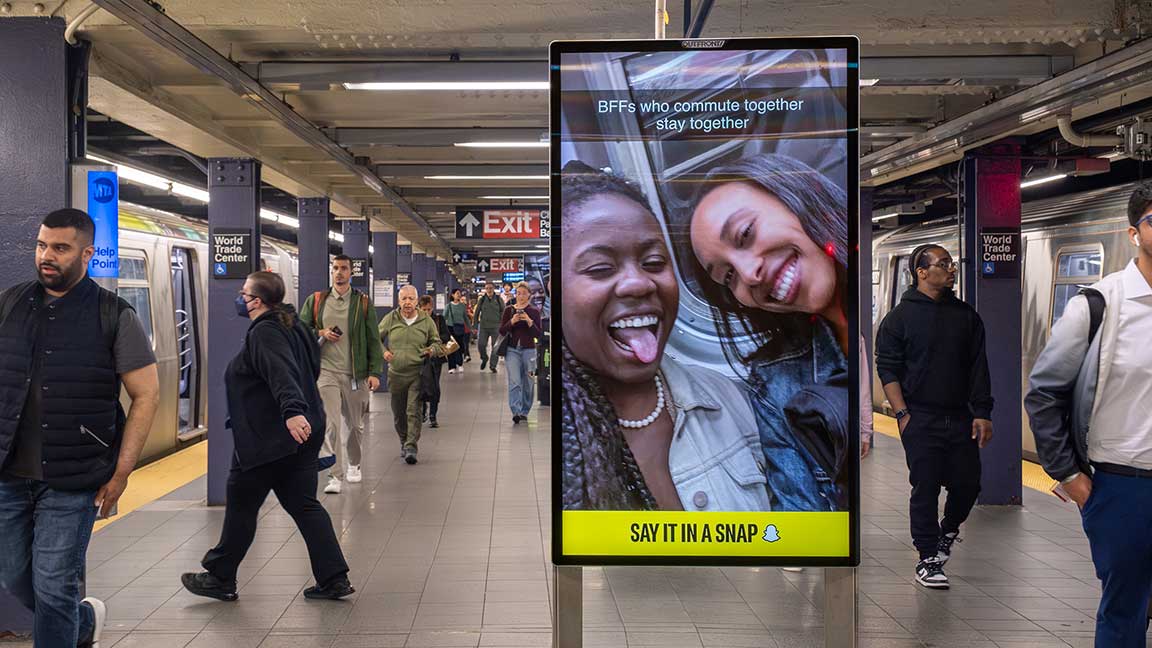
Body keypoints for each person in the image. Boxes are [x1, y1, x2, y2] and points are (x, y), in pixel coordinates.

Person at [559, 162, 770, 510]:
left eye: (654, 262)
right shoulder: (558, 435)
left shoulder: (731, 401)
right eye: (600, 269)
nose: (639, 282)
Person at [0, 208, 160, 648]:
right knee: (15, 576)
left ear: (87, 253)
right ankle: (83, 623)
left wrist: (122, 472)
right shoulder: (10, 303)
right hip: (10, 473)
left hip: (75, 477)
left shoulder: (113, 314)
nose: (46, 256)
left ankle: (68, 625)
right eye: (41, 245)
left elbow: (146, 394)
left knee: (53, 586)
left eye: (60, 248)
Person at [684, 154, 867, 514]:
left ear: (796, 196)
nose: (749, 275)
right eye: (727, 277)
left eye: (745, 234)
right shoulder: (777, 383)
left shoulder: (914, 322)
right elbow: (802, 517)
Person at [1026, 181, 1152, 647]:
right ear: (1132, 233)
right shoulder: (1098, 305)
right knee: (1125, 609)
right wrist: (1068, 474)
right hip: (1123, 485)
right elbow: (1043, 394)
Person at [182, 271, 353, 602]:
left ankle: (220, 577)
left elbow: (281, 372)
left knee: (242, 503)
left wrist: (291, 411)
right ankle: (334, 578)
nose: (240, 297)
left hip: (268, 438)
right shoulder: (295, 324)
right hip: (302, 433)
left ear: (256, 301)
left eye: (243, 293)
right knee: (304, 504)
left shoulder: (265, 332)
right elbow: (309, 368)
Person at [875, 244, 993, 590]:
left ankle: (949, 531)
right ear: (921, 272)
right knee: (924, 487)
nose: (951, 269)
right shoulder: (899, 318)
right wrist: (902, 414)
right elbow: (888, 368)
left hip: (960, 417)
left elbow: (978, 368)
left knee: (968, 484)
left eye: (951, 263)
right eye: (943, 264)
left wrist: (982, 412)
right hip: (920, 417)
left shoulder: (966, 316)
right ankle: (927, 557)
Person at [299, 255, 383, 495]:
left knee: (355, 425)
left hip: (356, 374)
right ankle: (334, 474)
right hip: (326, 371)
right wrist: (321, 331)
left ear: (351, 273)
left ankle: (354, 463)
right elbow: (301, 329)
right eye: (335, 268)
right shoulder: (317, 301)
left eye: (343, 268)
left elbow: (374, 340)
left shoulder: (362, 303)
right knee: (331, 424)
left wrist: (375, 372)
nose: (338, 272)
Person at [378, 285, 443, 464]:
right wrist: (384, 352)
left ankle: (411, 446)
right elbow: (375, 339)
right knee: (399, 413)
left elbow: (437, 343)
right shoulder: (391, 318)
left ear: (416, 301)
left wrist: (432, 350)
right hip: (396, 373)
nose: (407, 302)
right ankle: (403, 440)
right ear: (398, 301)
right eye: (404, 299)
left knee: (413, 410)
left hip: (417, 373)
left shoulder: (426, 321)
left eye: (411, 299)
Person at [500, 282, 544, 425]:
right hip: (512, 350)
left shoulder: (534, 311)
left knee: (528, 382)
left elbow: (538, 334)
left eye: (524, 293)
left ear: (529, 295)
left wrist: (529, 321)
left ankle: (525, 410)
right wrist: (512, 321)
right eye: (518, 293)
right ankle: (516, 411)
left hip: (529, 350)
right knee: (515, 381)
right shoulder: (508, 310)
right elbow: (502, 330)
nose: (521, 296)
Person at [418, 295, 450, 429]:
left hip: (435, 358)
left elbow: (446, 335)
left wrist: (434, 342)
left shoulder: (439, 319)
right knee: (420, 385)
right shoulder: (415, 321)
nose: (427, 312)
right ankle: (423, 410)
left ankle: (433, 415)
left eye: (429, 309)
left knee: (434, 386)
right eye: (424, 309)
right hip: (419, 358)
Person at [475, 282, 504, 373]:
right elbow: (477, 312)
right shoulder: (482, 299)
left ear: (494, 288)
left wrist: (503, 324)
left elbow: (503, 311)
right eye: (487, 288)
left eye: (490, 288)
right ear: (485, 289)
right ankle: (484, 358)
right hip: (484, 326)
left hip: (496, 326)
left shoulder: (499, 299)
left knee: (495, 347)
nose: (489, 290)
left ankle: (493, 365)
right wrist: (475, 325)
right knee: (481, 345)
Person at [443, 289, 469, 374]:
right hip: (450, 328)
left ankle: (460, 364)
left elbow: (465, 318)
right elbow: (444, 317)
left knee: (460, 347)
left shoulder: (462, 306)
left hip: (460, 328)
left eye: (459, 293)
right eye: (457, 293)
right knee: (451, 347)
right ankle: (452, 367)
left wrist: (471, 328)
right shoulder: (448, 306)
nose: (459, 295)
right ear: (453, 295)